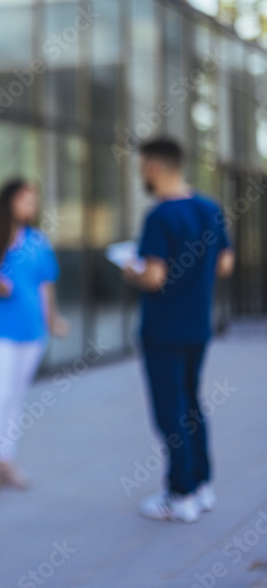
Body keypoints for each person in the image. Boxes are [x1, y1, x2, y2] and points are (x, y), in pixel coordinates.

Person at [122, 137, 234, 523]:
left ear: (153, 167)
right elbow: (225, 264)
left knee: (170, 411)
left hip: (164, 330)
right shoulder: (210, 209)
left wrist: (131, 270)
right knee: (192, 405)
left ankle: (180, 493)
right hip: (197, 327)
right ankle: (201, 485)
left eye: (142, 167)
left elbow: (154, 277)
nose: (142, 174)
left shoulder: (159, 217)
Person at [0, 178, 68, 497]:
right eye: (25, 200)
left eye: (34, 201)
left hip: (33, 332)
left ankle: (4, 461)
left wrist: (53, 321)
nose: (30, 207)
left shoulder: (38, 241)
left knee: (16, 397)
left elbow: (46, 286)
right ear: (8, 202)